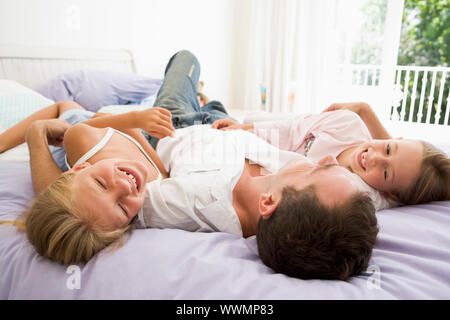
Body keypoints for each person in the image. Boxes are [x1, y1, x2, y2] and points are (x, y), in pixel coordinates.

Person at [0, 51, 378, 280]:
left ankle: (74, 104)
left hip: (174, 123)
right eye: (329, 166)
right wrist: (365, 114)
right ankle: (204, 97)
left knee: (69, 112)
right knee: (191, 70)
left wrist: (38, 135)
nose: (325, 159)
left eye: (316, 170)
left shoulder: (172, 205)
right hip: (227, 125)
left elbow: (64, 205)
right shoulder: (316, 194)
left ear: (270, 203)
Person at [212, 102, 450, 207]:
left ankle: (206, 104)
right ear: (391, 139)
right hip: (241, 134)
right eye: (387, 148)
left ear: (389, 194)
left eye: (386, 171)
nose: (374, 157)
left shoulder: (359, 192)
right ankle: (208, 104)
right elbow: (290, 130)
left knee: (201, 109)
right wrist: (242, 128)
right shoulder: (348, 123)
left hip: (236, 156)